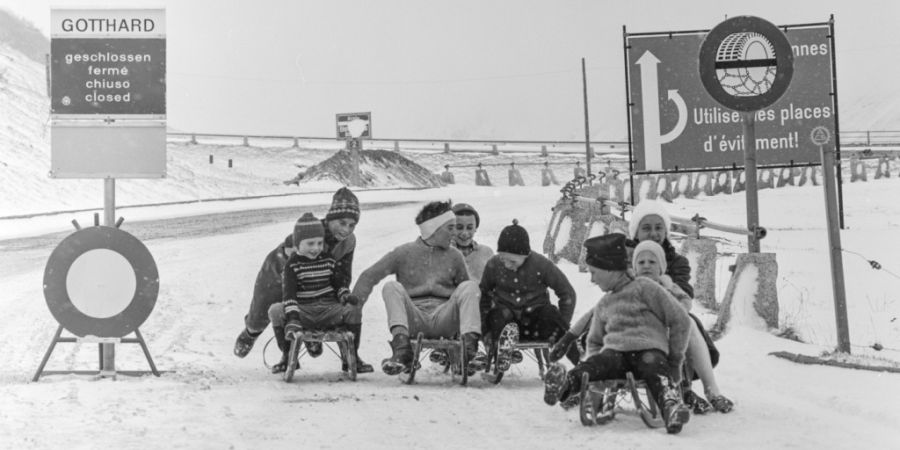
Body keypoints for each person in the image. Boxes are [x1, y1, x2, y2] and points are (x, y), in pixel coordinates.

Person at [544, 233, 693, 434]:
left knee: (654, 368)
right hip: (616, 354)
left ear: (611, 270)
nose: (592, 279)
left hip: (649, 349)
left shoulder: (645, 287)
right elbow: (595, 341)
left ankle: (671, 405)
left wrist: (675, 361)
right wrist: (595, 388)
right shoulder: (605, 303)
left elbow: (680, 320)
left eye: (594, 272)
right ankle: (566, 383)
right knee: (597, 363)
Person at [233, 187, 373, 374]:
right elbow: (294, 282)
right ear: (330, 218)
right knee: (262, 312)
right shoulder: (310, 232)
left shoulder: (348, 242)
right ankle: (250, 333)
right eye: (342, 222)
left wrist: (340, 297)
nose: (346, 229)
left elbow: (342, 275)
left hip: (314, 279)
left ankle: (349, 356)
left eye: (352, 225)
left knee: (336, 305)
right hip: (277, 272)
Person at [350, 200, 484, 376]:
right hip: (414, 318)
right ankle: (402, 349)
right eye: (450, 228)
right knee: (391, 287)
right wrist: (354, 306)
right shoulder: (404, 253)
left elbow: (465, 295)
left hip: (444, 318)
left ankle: (469, 349)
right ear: (433, 229)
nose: (454, 234)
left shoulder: (455, 256)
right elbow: (370, 276)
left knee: (470, 286)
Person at [628, 199, 734, 413]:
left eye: (659, 228)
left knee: (688, 324)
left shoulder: (676, 262)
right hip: (633, 320)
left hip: (669, 315)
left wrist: (665, 285)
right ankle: (681, 390)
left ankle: (711, 390)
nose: (653, 233)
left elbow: (684, 297)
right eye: (646, 228)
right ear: (636, 232)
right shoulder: (626, 260)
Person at [267, 213, 364, 373]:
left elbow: (339, 283)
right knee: (276, 310)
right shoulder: (292, 266)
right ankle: (287, 356)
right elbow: (289, 296)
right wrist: (293, 318)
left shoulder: (329, 260)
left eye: (320, 243)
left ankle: (351, 357)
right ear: (298, 245)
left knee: (353, 309)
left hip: (328, 310)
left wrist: (344, 295)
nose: (316, 248)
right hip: (303, 312)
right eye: (310, 244)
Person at [478, 219, 579, 368]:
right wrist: (485, 329)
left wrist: (563, 321)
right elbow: (483, 295)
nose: (507, 265)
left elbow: (567, 294)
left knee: (550, 314)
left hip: (535, 321)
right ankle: (503, 352)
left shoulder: (541, 265)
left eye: (512, 261)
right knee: (498, 315)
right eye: (503, 259)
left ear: (525, 255)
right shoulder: (494, 265)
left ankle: (582, 363)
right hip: (506, 321)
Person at [451, 203, 494, 283]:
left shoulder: (486, 253)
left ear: (475, 228)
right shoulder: (442, 253)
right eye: (459, 227)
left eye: (469, 228)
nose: (465, 233)